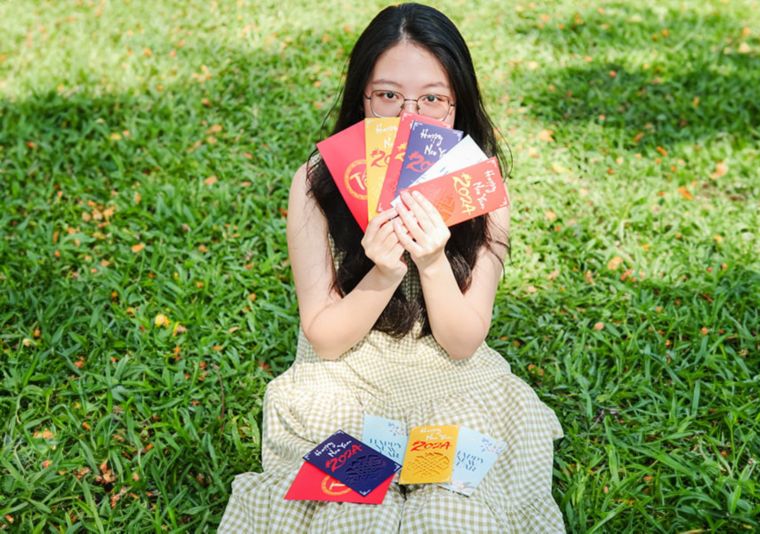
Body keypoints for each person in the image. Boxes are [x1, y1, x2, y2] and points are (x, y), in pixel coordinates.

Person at [219, 3, 564, 532]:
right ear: (362, 98)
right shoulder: (316, 182)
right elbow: (327, 338)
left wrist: (430, 261)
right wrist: (382, 273)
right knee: (353, 513)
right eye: (388, 96)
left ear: (457, 105)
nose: (409, 118)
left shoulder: (480, 189)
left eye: (432, 99)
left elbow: (463, 340)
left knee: (453, 511)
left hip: (453, 386)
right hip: (344, 386)